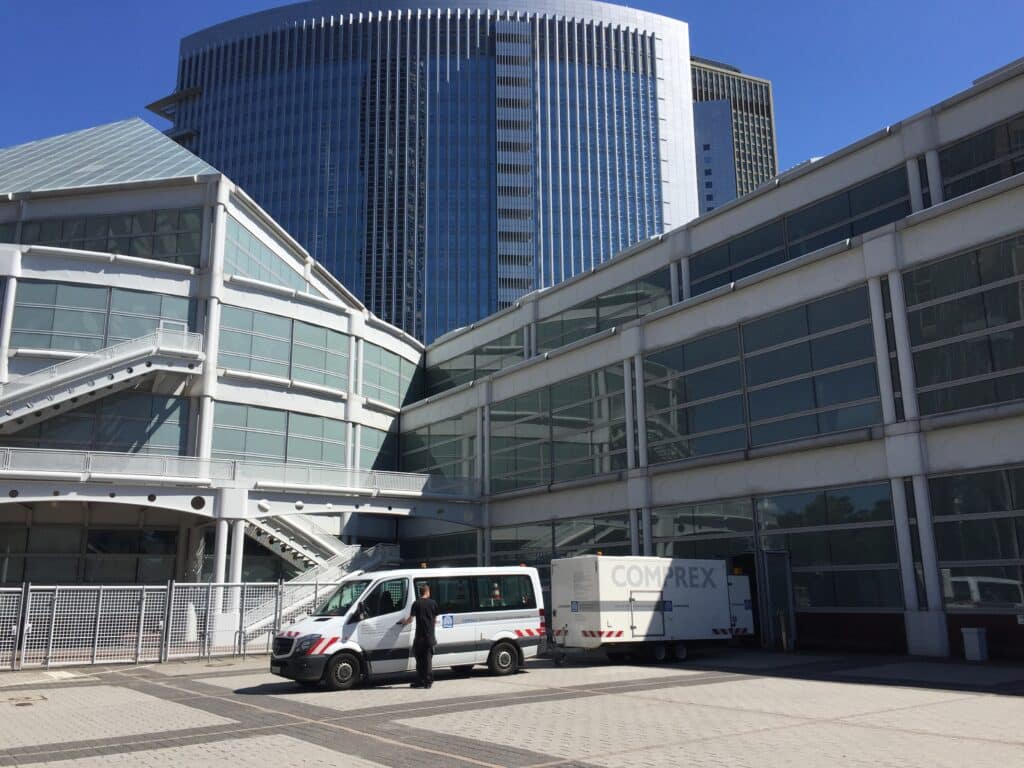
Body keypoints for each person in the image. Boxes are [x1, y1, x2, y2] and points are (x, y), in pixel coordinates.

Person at [398, 582, 438, 688]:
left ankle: (420, 681)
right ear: (427, 592)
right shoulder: (433, 603)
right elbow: (435, 620)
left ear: (420, 592)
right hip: (430, 636)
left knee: (419, 661)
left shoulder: (416, 603)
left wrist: (403, 622)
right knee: (428, 660)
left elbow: (410, 619)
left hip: (419, 637)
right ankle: (428, 682)